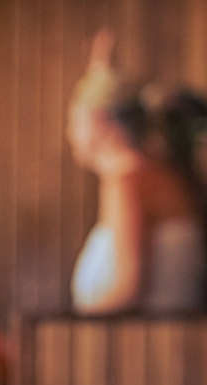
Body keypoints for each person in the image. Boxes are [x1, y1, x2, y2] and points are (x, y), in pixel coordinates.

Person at [68, 28, 207, 315]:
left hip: (144, 339)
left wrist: (64, 330)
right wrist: (100, 78)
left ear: (99, 121)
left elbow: (128, 288)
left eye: (74, 121)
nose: (69, 133)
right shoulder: (151, 172)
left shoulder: (127, 180)